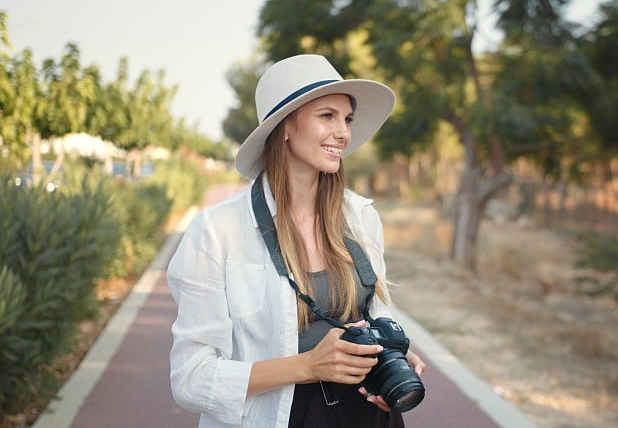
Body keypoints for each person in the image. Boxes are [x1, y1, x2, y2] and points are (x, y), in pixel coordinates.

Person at [167, 54, 426, 428]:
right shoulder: (216, 231)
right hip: (279, 418)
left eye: (347, 119)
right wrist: (306, 366)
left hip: (370, 416)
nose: (344, 133)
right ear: (286, 126)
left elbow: (377, 314)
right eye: (327, 116)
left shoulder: (361, 217)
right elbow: (190, 379)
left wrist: (389, 358)